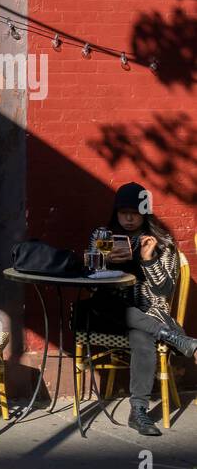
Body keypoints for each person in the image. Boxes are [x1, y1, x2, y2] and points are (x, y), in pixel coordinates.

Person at [77, 182, 195, 435]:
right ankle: (172, 336)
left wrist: (149, 258)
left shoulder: (161, 242)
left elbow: (164, 290)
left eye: (135, 212)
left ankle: (138, 411)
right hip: (107, 313)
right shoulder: (103, 236)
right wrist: (103, 261)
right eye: (123, 212)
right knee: (110, 306)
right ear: (116, 213)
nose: (129, 218)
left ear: (145, 212)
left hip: (147, 315)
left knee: (142, 338)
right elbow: (88, 280)